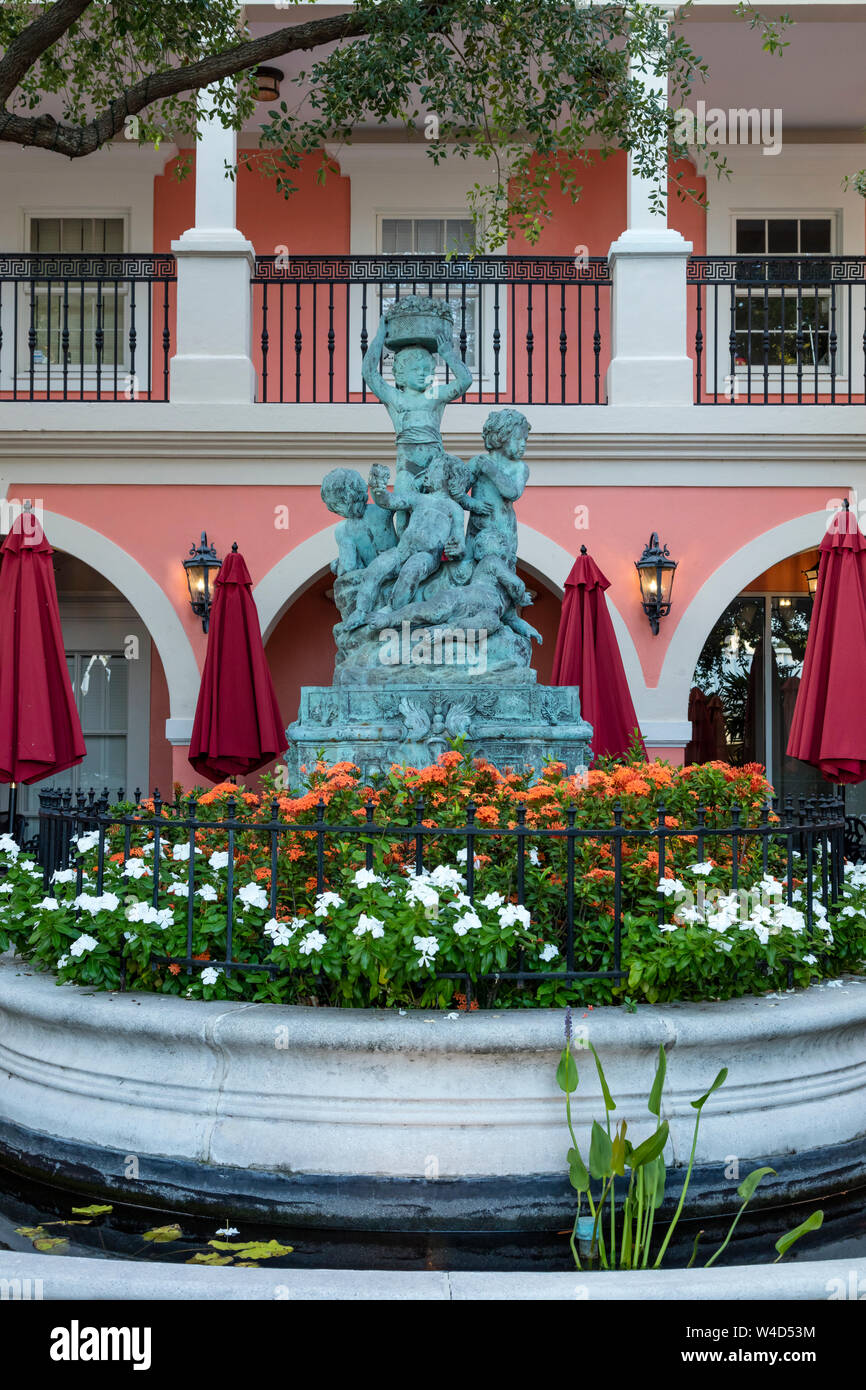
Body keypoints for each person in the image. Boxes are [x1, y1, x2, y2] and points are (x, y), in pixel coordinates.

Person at [340, 455, 471, 631]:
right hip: (402, 549)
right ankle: (361, 610)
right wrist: (378, 490)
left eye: (434, 470)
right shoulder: (418, 498)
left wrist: (457, 549)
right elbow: (389, 501)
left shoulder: (454, 509)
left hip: (427, 555)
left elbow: (459, 541)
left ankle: (391, 610)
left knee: (410, 573)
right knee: (375, 569)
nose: (428, 473)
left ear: (449, 477)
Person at [320, 468, 395, 578]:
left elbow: (348, 567)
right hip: (396, 568)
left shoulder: (343, 530)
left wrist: (340, 565)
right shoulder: (382, 509)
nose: (335, 511)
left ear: (346, 499)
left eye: (335, 505)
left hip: (373, 576)